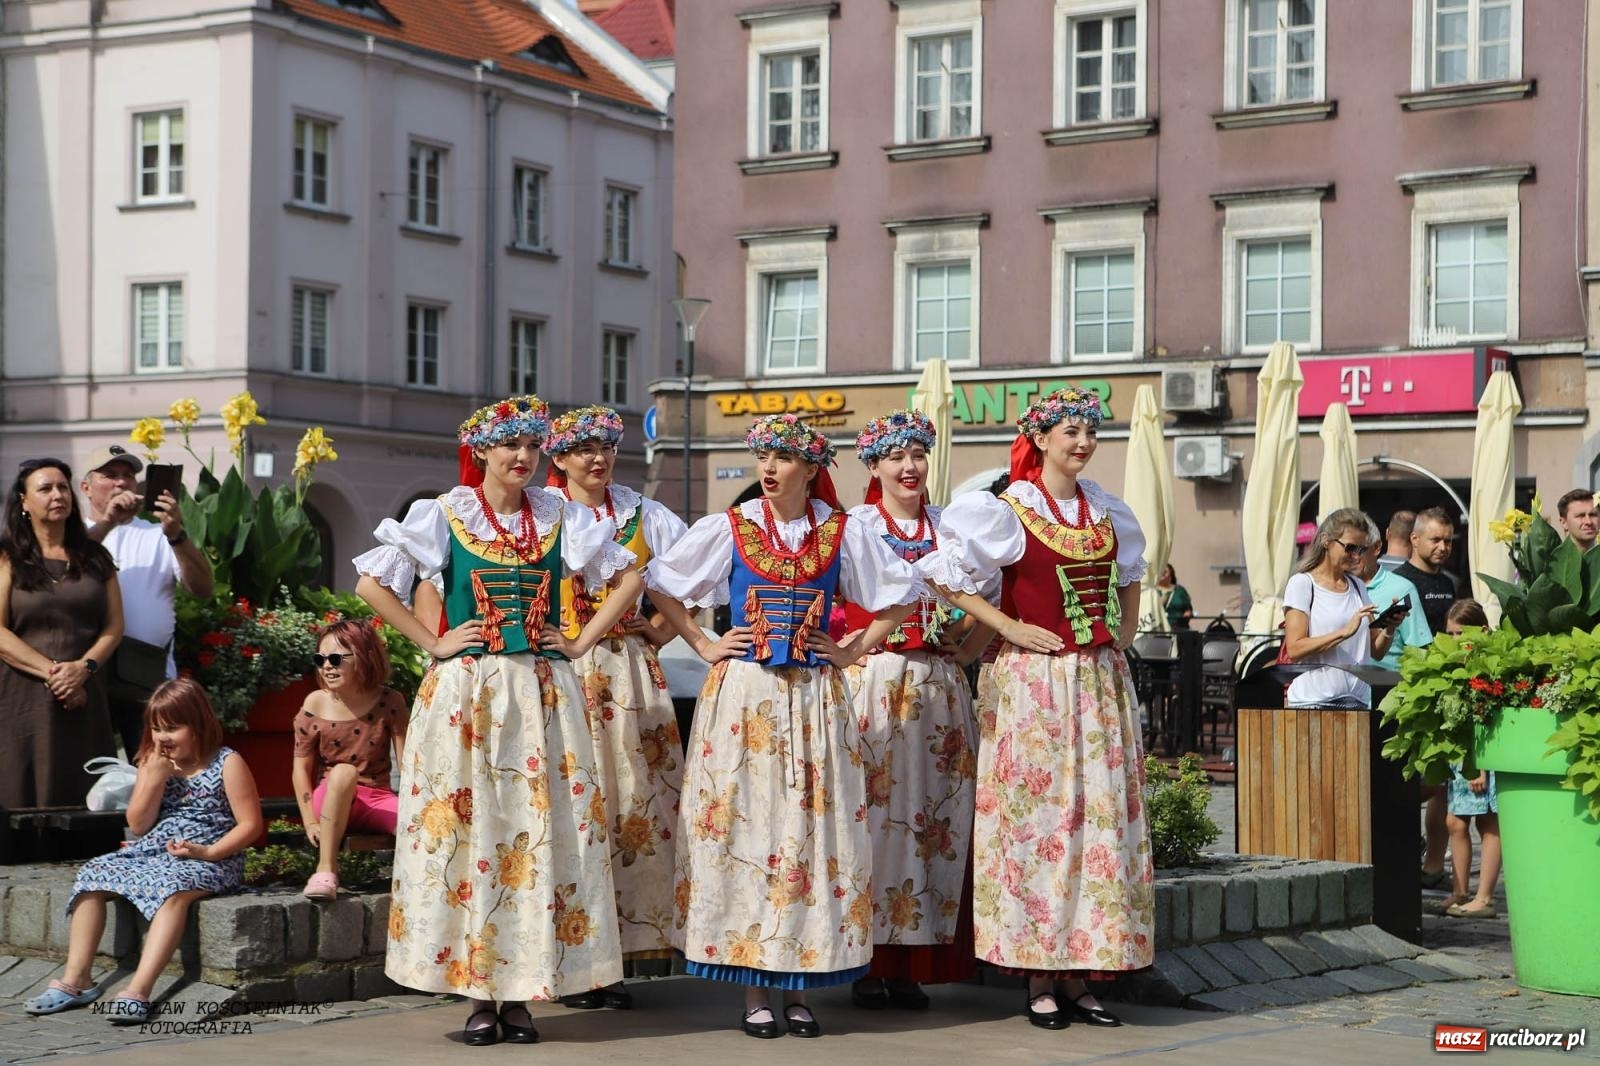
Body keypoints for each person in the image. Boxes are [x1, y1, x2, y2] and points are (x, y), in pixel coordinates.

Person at [353, 394, 643, 1047]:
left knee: (534, 832)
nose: (523, 456)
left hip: (542, 691)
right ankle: (480, 993)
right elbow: (372, 584)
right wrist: (433, 641)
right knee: (475, 832)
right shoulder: (446, 512)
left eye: (532, 446)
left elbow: (628, 577)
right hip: (469, 693)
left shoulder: (558, 514)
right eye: (511, 445)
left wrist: (580, 640)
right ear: (482, 450)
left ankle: (522, 994)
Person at [644, 413, 924, 1040]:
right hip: (746, 695)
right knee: (749, 826)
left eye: (783, 458)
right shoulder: (732, 526)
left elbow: (904, 593)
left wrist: (851, 651)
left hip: (815, 697)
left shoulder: (841, 531)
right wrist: (703, 641)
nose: (769, 469)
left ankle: (801, 982)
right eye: (764, 457)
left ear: (810, 468)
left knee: (809, 830)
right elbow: (660, 582)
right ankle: (755, 987)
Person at [921, 385, 1153, 1031]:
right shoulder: (1007, 509)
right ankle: (1038, 974)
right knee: (1039, 823)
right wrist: (1007, 626)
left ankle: (1081, 969)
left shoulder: (1106, 510)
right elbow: (943, 575)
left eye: (1089, 431)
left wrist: (1125, 630)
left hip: (1098, 682)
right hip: (1033, 685)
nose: (1083, 442)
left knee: (1096, 820)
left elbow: (1132, 572)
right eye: (1070, 432)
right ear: (1042, 439)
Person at [543, 404, 688, 1009]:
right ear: (559, 459)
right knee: (573, 807)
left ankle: (616, 960)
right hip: (562, 668)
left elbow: (690, 579)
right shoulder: (541, 513)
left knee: (631, 806)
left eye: (605, 447)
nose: (597, 459)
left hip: (628, 673)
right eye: (584, 450)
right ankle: (569, 958)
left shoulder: (642, 513)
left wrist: (662, 630)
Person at [838, 410, 983, 1012]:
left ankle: (914, 961)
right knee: (874, 817)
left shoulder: (950, 526)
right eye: (896, 456)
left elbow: (990, 591)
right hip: (874, 680)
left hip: (940, 687)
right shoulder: (855, 527)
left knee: (934, 819)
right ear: (874, 466)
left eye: (918, 455)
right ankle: (868, 960)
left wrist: (967, 644)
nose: (909, 467)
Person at [23, 678, 263, 1023]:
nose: (163, 737)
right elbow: (137, 825)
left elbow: (250, 825)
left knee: (173, 890)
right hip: (156, 850)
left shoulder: (226, 762)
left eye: (173, 728)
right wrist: (154, 778)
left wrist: (208, 852)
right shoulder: (154, 762)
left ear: (199, 724)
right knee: (93, 873)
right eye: (156, 728)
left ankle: (138, 990)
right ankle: (77, 980)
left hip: (213, 854)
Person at [0, 458, 123, 809]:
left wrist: (84, 669)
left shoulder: (95, 557)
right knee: (22, 793)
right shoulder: (7, 557)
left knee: (87, 795)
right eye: (45, 488)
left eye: (63, 487)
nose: (57, 495)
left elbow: (114, 626)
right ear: (24, 502)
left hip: (86, 695)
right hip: (24, 699)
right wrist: (57, 675)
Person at [81, 444, 214, 760]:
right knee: (88, 771)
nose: (121, 482)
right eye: (109, 475)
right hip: (86, 673)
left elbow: (202, 588)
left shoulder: (158, 535)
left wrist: (176, 534)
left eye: (128, 475)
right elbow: (64, 569)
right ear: (86, 487)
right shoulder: (75, 535)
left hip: (146, 675)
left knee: (154, 767)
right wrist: (109, 522)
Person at [293, 619, 408, 900]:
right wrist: (309, 821)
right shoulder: (315, 702)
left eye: (335, 659)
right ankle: (326, 870)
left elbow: (408, 764)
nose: (327, 666)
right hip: (331, 795)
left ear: (364, 656)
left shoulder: (391, 701)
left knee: (420, 825)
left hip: (377, 798)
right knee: (344, 772)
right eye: (320, 659)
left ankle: (420, 885)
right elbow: (300, 769)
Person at [1282, 509, 1399, 709]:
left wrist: (1390, 627)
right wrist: (1344, 632)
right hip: (1314, 703)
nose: (1356, 556)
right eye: (1350, 548)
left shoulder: (1357, 586)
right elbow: (1295, 649)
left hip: (1357, 702)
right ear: (1326, 541)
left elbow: (1376, 651)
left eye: (1361, 550)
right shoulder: (1302, 584)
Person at [1436, 599, 1502, 919]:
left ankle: (1484, 897)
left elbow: (1486, 719)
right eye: (1450, 633)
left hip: (1480, 755)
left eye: (1460, 632)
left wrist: (1481, 767)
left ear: (1482, 630)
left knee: (1488, 822)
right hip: (1462, 755)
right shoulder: (1453, 662)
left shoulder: (1485, 665)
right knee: (1455, 821)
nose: (1454, 639)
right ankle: (1460, 892)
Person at [1356, 517, 1431, 671]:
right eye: (1346, 549)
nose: (1352, 556)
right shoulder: (1336, 588)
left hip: (1388, 682)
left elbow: (1420, 651)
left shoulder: (1402, 588)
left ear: (1377, 547)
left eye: (1359, 549)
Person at [1395, 507, 1458, 635]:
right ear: (1415, 539)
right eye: (1435, 540)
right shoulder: (1398, 580)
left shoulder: (1447, 583)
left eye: (1447, 541)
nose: (1442, 547)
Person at [1556, 489, 1598, 554]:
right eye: (1581, 515)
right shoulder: (1551, 559)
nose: (1589, 522)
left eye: (1593, 515)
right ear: (1564, 523)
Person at [1156, 563, 1192, 630]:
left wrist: (1185, 618)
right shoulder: (1151, 591)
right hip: (1157, 628)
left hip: (1177, 628)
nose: (1162, 574)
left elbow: (1188, 609)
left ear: (1171, 574)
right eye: (1160, 571)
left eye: (1165, 572)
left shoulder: (1180, 590)